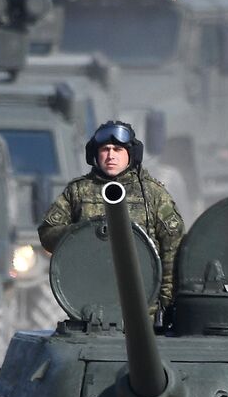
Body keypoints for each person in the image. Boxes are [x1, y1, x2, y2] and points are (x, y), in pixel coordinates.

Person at [37, 120, 186, 307]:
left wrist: (165, 300)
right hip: (90, 299)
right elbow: (47, 233)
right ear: (95, 154)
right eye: (105, 149)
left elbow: (173, 245)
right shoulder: (79, 191)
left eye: (117, 150)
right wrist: (81, 233)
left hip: (144, 300)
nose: (110, 156)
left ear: (131, 154)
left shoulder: (152, 193)